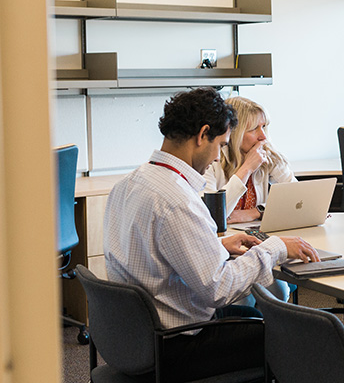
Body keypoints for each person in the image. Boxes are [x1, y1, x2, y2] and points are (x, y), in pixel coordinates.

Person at [104, 87, 320, 382]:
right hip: (176, 343)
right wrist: (275, 247)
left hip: (132, 338)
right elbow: (221, 290)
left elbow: (159, 250)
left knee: (260, 321)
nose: (218, 156)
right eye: (220, 144)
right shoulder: (178, 200)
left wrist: (217, 244)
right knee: (301, 337)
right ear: (202, 135)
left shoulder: (130, 183)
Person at [203, 95, 294, 224]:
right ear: (233, 133)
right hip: (223, 238)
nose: (263, 137)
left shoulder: (267, 154)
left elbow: (296, 199)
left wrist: (257, 212)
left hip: (254, 234)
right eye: (253, 129)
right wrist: (247, 168)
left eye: (263, 127)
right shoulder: (211, 161)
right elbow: (212, 215)